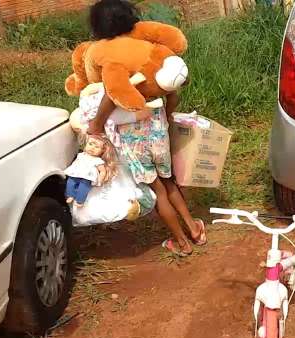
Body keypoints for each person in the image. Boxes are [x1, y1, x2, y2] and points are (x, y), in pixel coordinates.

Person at [87, 0, 206, 256]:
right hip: (157, 127)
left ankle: (181, 243)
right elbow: (173, 89)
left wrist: (95, 125)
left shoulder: (105, 53)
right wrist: (170, 114)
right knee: (170, 182)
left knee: (158, 191)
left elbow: (111, 95)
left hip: (132, 136)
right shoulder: (147, 47)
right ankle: (194, 229)